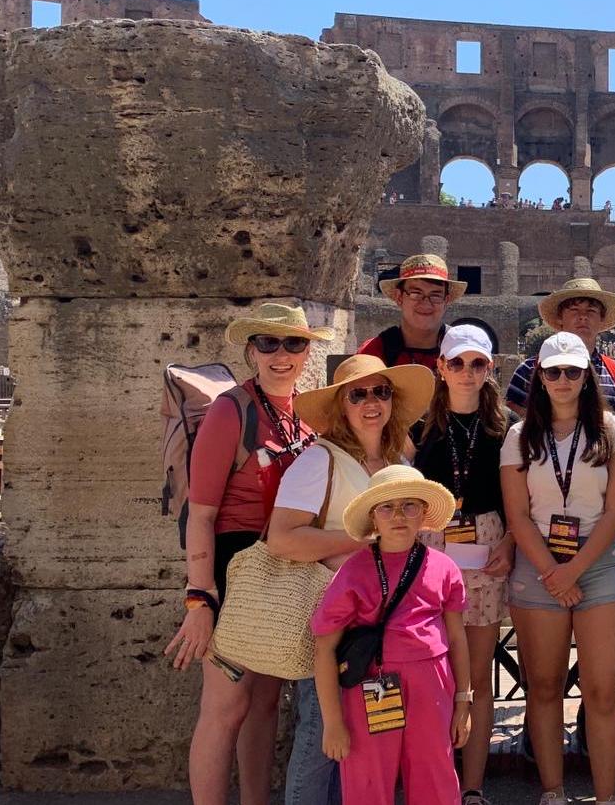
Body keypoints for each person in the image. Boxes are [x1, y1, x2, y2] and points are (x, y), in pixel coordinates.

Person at [164, 302, 333, 805]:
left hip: (282, 570)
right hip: (234, 570)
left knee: (264, 705)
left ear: (308, 352)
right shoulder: (229, 411)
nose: (281, 355)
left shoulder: (304, 417)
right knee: (225, 708)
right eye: (269, 343)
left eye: (294, 343)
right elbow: (202, 514)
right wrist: (200, 599)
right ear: (251, 350)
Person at [272, 353, 432, 805]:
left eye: (381, 391)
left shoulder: (400, 453)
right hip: (334, 615)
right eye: (357, 394)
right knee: (321, 732)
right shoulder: (319, 461)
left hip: (384, 620)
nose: (371, 402)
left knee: (361, 737)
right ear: (342, 405)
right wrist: (363, 540)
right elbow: (282, 538)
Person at [501, 331, 615, 805]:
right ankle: (553, 792)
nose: (562, 380)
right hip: (539, 562)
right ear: (539, 375)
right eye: (553, 371)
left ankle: (605, 797)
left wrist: (573, 569)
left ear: (586, 377)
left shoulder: (611, 430)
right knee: (544, 687)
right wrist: (553, 572)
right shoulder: (519, 437)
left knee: (602, 692)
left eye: (572, 372)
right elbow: (517, 514)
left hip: (597, 560)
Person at [312, 465, 469, 804]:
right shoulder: (353, 570)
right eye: (387, 507)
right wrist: (332, 721)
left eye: (409, 505)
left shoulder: (444, 568)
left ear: (423, 513)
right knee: (367, 780)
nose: (399, 516)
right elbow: (324, 647)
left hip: (433, 686)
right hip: (373, 686)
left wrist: (462, 702)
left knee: (435, 778)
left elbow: (457, 640)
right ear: (373, 518)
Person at [414, 325, 515, 805]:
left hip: (488, 542)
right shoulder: (418, 428)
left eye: (477, 364)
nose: (467, 373)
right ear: (441, 367)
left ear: (489, 368)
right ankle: (436, 781)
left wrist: (513, 541)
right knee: (432, 667)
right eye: (457, 363)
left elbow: (521, 497)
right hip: (432, 543)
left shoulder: (507, 427)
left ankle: (472, 785)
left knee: (477, 673)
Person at [507, 278, 615, 416]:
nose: (583, 316)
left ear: (601, 319)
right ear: (560, 317)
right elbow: (513, 419)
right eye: (574, 310)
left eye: (591, 311)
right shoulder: (528, 369)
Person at [359, 253, 468, 372]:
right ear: (399, 297)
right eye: (416, 293)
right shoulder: (374, 352)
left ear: (445, 301)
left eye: (435, 295)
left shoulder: (463, 349)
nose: (426, 303)